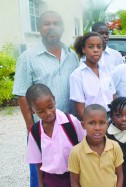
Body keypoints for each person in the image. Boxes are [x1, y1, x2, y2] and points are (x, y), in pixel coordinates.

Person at [12, 11, 79, 187]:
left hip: (67, 127)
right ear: (39, 28)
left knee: (70, 172)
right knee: (40, 174)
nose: (51, 27)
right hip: (43, 128)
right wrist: (30, 128)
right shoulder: (28, 58)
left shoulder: (71, 55)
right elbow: (22, 95)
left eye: (56, 23)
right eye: (46, 24)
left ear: (62, 28)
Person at [25, 83, 86, 187]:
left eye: (50, 107)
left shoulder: (71, 122)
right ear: (32, 111)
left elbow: (85, 145)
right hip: (51, 180)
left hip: (75, 178)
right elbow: (38, 162)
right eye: (41, 111)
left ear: (54, 99)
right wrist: (41, 184)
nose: (48, 113)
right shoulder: (35, 132)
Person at [68, 104, 124, 187]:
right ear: (83, 125)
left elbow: (120, 175)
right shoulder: (76, 152)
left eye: (102, 123)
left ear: (107, 124)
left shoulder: (114, 147)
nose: (97, 128)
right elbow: (74, 182)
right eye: (92, 123)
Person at [70, 32, 116, 119]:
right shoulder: (77, 75)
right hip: (92, 121)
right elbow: (80, 110)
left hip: (110, 120)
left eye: (99, 47)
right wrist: (95, 124)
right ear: (84, 49)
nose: (96, 50)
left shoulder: (106, 71)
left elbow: (112, 96)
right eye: (91, 47)